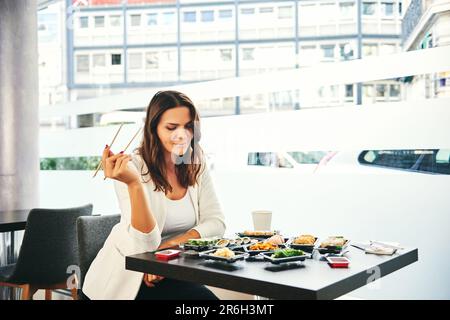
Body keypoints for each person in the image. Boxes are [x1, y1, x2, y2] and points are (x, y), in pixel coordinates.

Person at [82, 90, 226, 300]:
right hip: (127, 279)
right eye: (171, 127)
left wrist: (168, 247)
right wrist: (134, 184)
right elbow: (145, 244)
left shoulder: (195, 163)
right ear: (153, 128)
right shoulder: (133, 167)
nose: (182, 135)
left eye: (188, 126)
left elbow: (216, 223)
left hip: (172, 269)